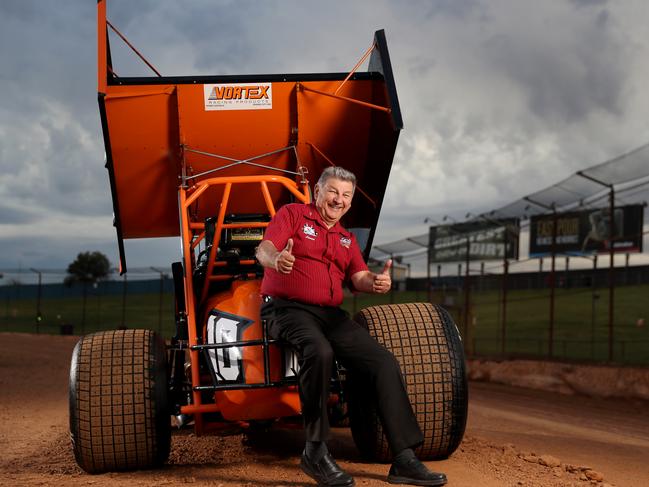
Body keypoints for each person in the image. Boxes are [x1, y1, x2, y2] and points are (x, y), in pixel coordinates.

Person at [256, 166, 447, 487]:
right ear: (317, 192)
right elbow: (264, 247)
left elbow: (359, 278)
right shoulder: (293, 214)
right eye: (332, 191)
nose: (338, 200)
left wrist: (377, 281)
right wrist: (276, 259)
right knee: (318, 350)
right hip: (286, 308)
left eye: (346, 195)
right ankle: (315, 451)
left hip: (330, 314)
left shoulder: (346, 238)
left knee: (383, 361)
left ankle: (403, 458)